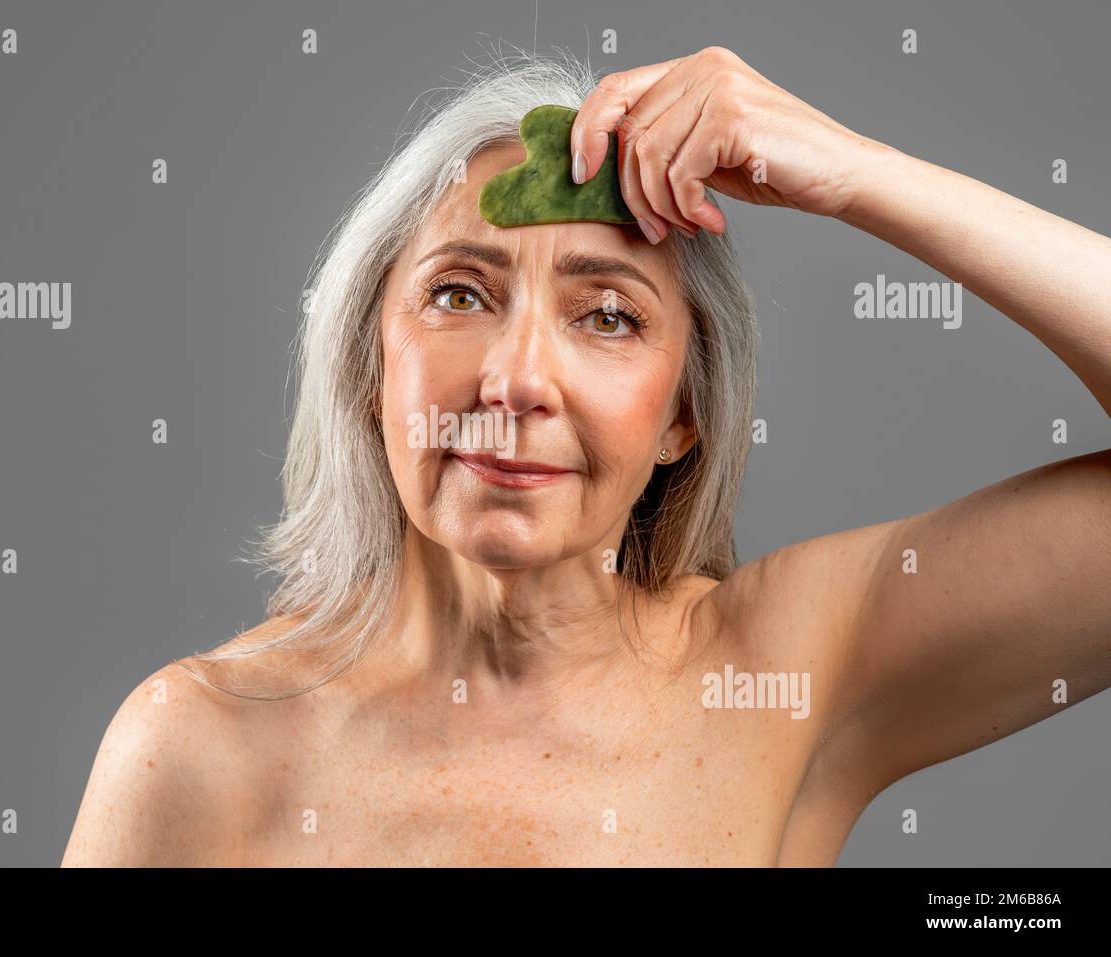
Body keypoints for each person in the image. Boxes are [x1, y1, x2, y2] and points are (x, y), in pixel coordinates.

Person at [62, 47, 1111, 867]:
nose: (518, 381)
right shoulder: (195, 745)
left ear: (682, 417)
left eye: (606, 316)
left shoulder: (785, 674)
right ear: (369, 365)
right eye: (459, 294)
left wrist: (856, 174)